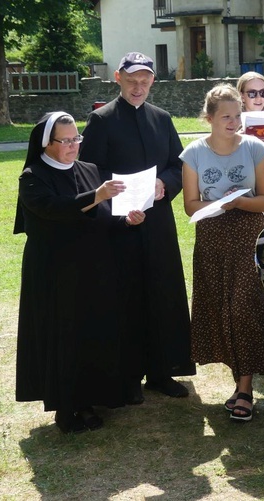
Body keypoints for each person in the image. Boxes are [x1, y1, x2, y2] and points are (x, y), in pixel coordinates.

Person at [15, 112, 145, 433]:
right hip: (54, 271)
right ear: (47, 143)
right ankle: (66, 407)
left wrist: (124, 220)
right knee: (64, 335)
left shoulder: (88, 170)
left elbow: (101, 216)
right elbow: (54, 210)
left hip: (92, 268)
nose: (74, 146)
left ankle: (90, 399)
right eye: (66, 140)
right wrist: (96, 195)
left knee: (91, 332)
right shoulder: (32, 176)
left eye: (77, 139)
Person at [80, 52, 195, 404]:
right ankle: (127, 376)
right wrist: (117, 210)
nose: (138, 87)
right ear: (118, 78)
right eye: (132, 81)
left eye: (145, 81)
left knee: (162, 293)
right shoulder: (100, 120)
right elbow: (90, 172)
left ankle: (162, 371)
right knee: (124, 297)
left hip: (157, 222)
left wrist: (165, 184)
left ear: (152, 83)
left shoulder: (162, 118)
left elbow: (178, 165)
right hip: (117, 226)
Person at [180, 84, 264, 422]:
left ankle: (245, 388)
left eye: (237, 116)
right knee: (219, 307)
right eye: (226, 116)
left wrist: (238, 201)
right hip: (211, 236)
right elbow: (190, 206)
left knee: (245, 309)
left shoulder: (255, 148)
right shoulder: (193, 153)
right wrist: (220, 203)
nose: (233, 122)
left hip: (248, 234)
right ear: (209, 118)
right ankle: (237, 382)